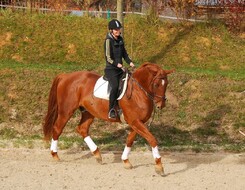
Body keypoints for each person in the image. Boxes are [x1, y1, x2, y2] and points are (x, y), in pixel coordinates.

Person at [104, 19, 135, 119]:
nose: (118, 31)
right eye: (116, 30)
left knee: (129, 83)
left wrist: (130, 62)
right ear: (111, 30)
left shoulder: (120, 39)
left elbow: (124, 54)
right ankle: (111, 109)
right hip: (111, 69)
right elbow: (108, 57)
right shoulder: (108, 41)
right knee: (115, 86)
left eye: (119, 29)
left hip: (120, 69)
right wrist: (117, 64)